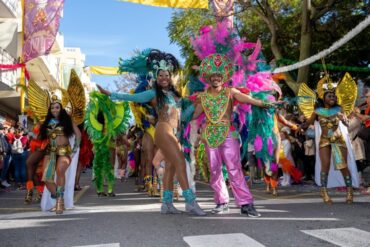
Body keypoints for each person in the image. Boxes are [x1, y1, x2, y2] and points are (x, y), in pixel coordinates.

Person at [98, 49, 206, 216]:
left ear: (171, 77)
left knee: (170, 167)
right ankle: (190, 202)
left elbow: (184, 116)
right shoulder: (153, 93)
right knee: (180, 163)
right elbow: (133, 98)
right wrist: (111, 94)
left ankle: (167, 204)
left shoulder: (176, 97)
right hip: (163, 131)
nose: (164, 78)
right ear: (156, 77)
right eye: (160, 75)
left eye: (167, 75)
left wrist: (197, 103)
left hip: (175, 132)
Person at [191, 54, 274, 217]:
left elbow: (248, 99)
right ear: (208, 77)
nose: (216, 78)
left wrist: (264, 103)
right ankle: (221, 201)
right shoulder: (203, 97)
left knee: (234, 168)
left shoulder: (230, 92)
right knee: (214, 170)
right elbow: (193, 115)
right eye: (213, 75)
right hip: (209, 135)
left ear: (224, 77)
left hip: (228, 133)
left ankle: (246, 203)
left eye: (219, 75)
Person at [298, 75, 359, 204]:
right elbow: (308, 123)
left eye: (334, 96)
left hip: (338, 140)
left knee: (342, 165)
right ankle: (324, 192)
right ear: (323, 98)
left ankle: (349, 192)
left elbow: (347, 124)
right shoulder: (318, 111)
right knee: (324, 166)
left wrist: (343, 119)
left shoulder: (339, 109)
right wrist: (299, 126)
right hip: (325, 140)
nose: (333, 98)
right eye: (329, 96)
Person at [38, 95, 81, 214]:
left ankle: (59, 203)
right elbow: (41, 136)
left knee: (60, 171)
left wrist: (75, 149)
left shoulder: (67, 120)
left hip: (64, 151)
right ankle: (59, 198)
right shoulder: (46, 122)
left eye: (57, 107)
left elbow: (78, 134)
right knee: (46, 178)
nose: (54, 110)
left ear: (61, 109)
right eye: (52, 108)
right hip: (50, 152)